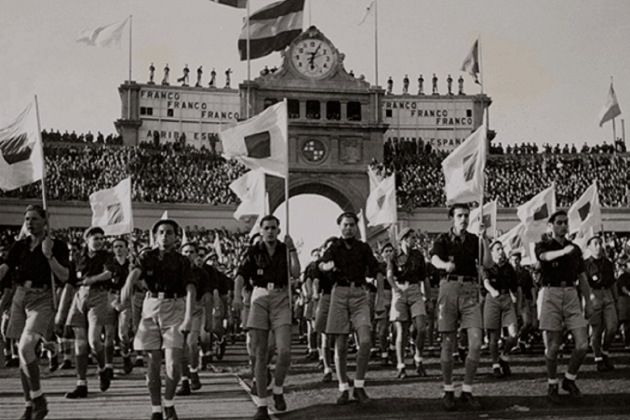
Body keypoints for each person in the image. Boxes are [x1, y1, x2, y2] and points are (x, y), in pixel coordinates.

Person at [0, 204, 70, 420]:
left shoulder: (57, 245)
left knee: (25, 346)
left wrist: (49, 256)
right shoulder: (20, 245)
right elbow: (6, 268)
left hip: (43, 297)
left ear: (45, 220)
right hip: (21, 296)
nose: (30, 223)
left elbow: (65, 276)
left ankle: (39, 398)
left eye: (34, 219)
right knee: (23, 355)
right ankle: (30, 404)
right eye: (27, 219)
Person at [121, 219, 196, 420]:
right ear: (155, 236)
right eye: (161, 232)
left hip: (175, 308)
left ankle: (169, 402)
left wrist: (188, 317)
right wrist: (129, 282)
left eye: (169, 232)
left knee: (172, 363)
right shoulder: (147, 256)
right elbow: (137, 271)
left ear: (176, 237)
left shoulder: (182, 261)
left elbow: (190, 288)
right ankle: (156, 408)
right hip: (151, 307)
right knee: (153, 362)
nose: (165, 236)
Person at [232, 215, 300, 420]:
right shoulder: (254, 251)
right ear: (261, 231)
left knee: (285, 351)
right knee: (260, 354)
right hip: (259, 296)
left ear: (279, 230)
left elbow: (296, 272)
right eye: (266, 228)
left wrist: (293, 249)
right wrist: (236, 296)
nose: (270, 231)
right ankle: (262, 404)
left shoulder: (284, 248)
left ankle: (278, 388)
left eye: (273, 228)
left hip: (281, 297)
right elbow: (241, 274)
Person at [319, 212, 384, 405]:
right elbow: (321, 264)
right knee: (341, 345)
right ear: (339, 226)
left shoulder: (363, 248)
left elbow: (377, 270)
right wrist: (326, 266)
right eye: (345, 225)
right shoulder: (334, 247)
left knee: (365, 341)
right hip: (339, 294)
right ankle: (343, 388)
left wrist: (380, 297)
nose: (348, 228)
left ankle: (359, 385)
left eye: (351, 225)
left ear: (356, 227)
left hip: (359, 295)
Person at [430, 203, 491, 411]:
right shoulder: (443, 239)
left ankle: (467, 388)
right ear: (452, 218)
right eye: (459, 215)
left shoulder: (475, 240)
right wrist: (444, 265)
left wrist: (485, 239)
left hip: (470, 289)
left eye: (466, 215)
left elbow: (487, 264)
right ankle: (448, 389)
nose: (463, 219)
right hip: (448, 288)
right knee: (448, 342)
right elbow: (435, 259)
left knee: (475, 342)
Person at [535, 210, 592, 404]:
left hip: (571, 294)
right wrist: (561, 252)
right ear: (550, 226)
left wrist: (589, 300)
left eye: (565, 222)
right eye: (559, 222)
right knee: (553, 346)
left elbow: (582, 277)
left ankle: (569, 379)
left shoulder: (575, 249)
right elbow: (544, 257)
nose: (563, 226)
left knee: (583, 344)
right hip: (551, 294)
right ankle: (552, 382)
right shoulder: (543, 245)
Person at [64, 226, 114, 399]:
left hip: (99, 295)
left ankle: (102, 369)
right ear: (87, 240)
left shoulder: (107, 256)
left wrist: (93, 279)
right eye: (96, 238)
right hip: (80, 295)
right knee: (80, 343)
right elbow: (70, 281)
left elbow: (109, 273)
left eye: (101, 238)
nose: (99, 241)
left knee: (94, 340)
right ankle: (81, 383)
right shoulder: (78, 257)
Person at [387, 227, 431, 378]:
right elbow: (389, 275)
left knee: (422, 328)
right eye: (412, 238)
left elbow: (424, 277)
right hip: (399, 289)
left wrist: (428, 298)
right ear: (404, 239)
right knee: (401, 330)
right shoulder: (393, 255)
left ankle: (418, 358)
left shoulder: (418, 255)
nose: (415, 240)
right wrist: (395, 289)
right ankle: (401, 366)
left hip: (414, 289)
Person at [176, 242, 212, 395]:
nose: (188, 254)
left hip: (196, 310)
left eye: (191, 252)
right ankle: (184, 380)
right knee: (180, 346)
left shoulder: (202, 273)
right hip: (177, 309)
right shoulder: (174, 271)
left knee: (191, 343)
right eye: (185, 251)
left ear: (197, 255)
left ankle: (194, 371)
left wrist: (209, 318)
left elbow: (208, 295)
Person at [482, 241, 519, 378]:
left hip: (506, 299)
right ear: (491, 252)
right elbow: (485, 282)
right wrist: (492, 290)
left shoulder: (508, 267)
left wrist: (517, 301)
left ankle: (504, 357)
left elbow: (515, 287)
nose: (501, 251)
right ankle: (495, 364)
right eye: (497, 249)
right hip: (492, 299)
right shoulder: (488, 266)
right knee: (494, 337)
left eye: (501, 248)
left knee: (514, 334)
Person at [584, 236, 618, 372]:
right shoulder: (586, 264)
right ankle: (598, 358)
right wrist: (590, 299)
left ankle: (605, 351)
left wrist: (616, 300)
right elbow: (584, 284)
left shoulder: (608, 263)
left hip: (607, 294)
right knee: (596, 330)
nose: (599, 246)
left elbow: (613, 282)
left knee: (612, 327)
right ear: (589, 247)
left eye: (600, 243)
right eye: (595, 244)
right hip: (594, 294)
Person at [106, 238, 135, 375]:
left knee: (123, 333)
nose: (118, 249)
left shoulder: (131, 264)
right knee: (109, 333)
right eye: (116, 246)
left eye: (121, 246)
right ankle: (109, 365)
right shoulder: (109, 264)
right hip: (110, 297)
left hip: (126, 298)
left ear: (126, 248)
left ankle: (125, 356)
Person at [311, 237, 337, 382]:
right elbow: (316, 280)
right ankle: (327, 368)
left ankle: (339, 368)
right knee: (324, 334)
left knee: (340, 337)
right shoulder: (319, 264)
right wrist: (315, 292)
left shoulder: (342, 263)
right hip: (326, 297)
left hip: (340, 296)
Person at [510, 251, 537, 351]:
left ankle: (521, 339)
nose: (515, 262)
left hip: (524, 298)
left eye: (517, 259)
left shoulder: (525, 272)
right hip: (512, 298)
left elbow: (531, 286)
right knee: (513, 323)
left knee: (528, 322)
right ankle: (515, 342)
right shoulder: (508, 271)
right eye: (513, 260)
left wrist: (534, 298)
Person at [376, 242, 394, 367]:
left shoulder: (398, 265)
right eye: (386, 251)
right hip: (382, 295)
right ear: (382, 254)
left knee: (397, 327)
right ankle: (384, 354)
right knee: (382, 329)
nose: (388, 253)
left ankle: (393, 349)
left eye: (390, 250)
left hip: (396, 295)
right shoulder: (378, 266)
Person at [617, 259, 630, 350]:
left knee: (628, 323)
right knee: (624, 321)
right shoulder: (623, 277)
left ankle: (627, 342)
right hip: (624, 301)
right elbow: (623, 288)